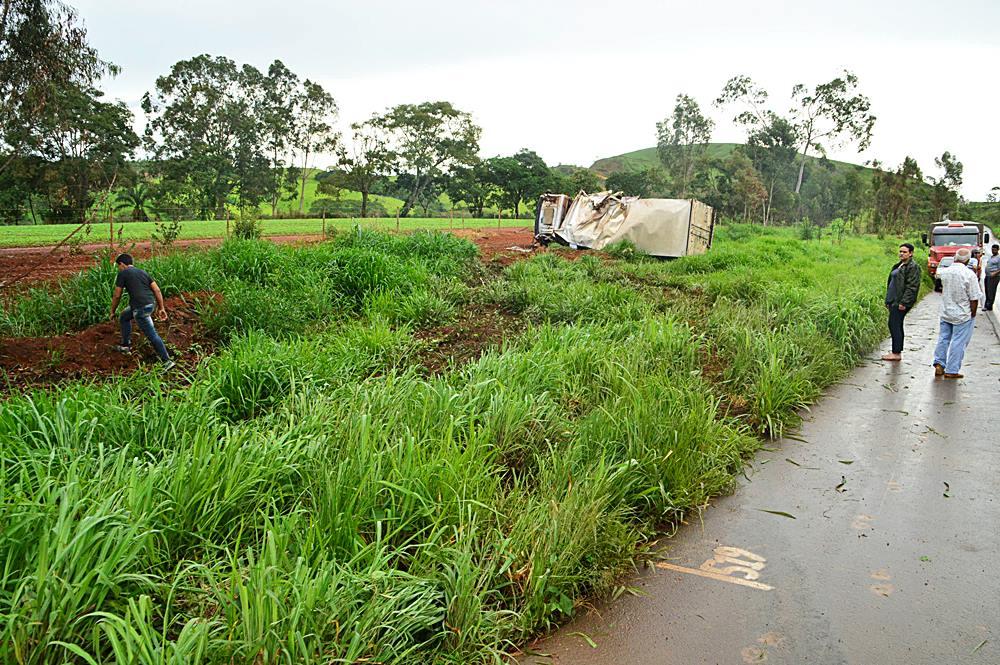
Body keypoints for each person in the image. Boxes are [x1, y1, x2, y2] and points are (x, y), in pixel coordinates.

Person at [109, 253, 174, 370]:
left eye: (118, 266)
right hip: (150, 304)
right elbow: (157, 290)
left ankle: (167, 361)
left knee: (151, 334)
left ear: (122, 264)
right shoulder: (143, 272)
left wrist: (112, 311)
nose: (118, 268)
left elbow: (117, 295)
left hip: (140, 308)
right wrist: (161, 308)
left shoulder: (123, 273)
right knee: (124, 316)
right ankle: (125, 346)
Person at [932, 247, 982, 379]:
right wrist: (973, 313)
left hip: (946, 311)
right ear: (968, 260)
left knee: (943, 338)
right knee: (958, 341)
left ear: (955, 258)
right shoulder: (969, 275)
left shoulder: (945, 272)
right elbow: (974, 298)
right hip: (962, 314)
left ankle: (939, 363)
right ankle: (952, 370)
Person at [882, 243, 921, 361]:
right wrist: (888, 300)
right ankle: (896, 351)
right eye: (900, 251)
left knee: (894, 324)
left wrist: (904, 302)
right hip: (893, 300)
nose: (901, 254)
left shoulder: (913, 267)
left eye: (904, 252)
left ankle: (896, 353)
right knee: (895, 324)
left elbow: (912, 286)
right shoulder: (900, 265)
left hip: (900, 301)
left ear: (911, 253)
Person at [984, 243, 1000, 311]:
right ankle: (986, 305)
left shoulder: (999, 258)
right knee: (987, 290)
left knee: (991, 291)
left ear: (998, 250)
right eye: (992, 250)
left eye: (995, 250)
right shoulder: (991, 257)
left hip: (994, 277)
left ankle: (989, 306)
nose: (993, 251)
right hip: (988, 276)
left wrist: (995, 273)